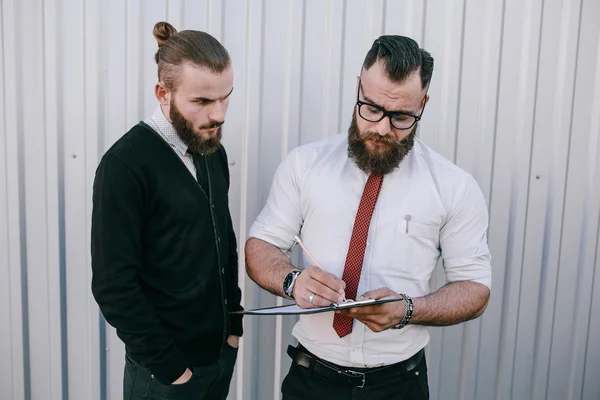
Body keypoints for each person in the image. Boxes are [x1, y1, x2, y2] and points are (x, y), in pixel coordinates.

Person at [245, 35, 491, 400]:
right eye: (371, 108)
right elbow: (262, 245)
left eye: (402, 116)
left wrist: (408, 310)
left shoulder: (455, 186)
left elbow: (475, 288)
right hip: (312, 381)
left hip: (399, 385)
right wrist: (292, 281)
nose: (381, 128)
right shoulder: (304, 164)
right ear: (358, 87)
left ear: (423, 104)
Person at [91, 21, 243, 400]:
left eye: (226, 97)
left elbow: (221, 236)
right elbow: (113, 285)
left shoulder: (211, 149)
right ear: (163, 93)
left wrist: (233, 326)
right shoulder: (125, 165)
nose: (218, 114)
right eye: (203, 102)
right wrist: (170, 368)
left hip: (218, 359)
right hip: (166, 377)